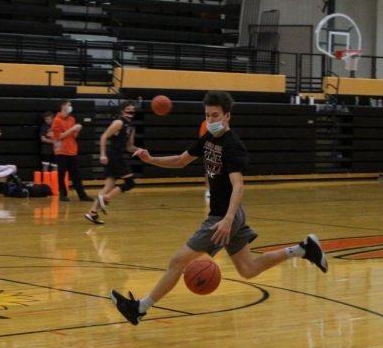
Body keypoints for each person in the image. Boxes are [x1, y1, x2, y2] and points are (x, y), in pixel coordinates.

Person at [110, 90, 328, 326]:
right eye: (208, 116)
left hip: (224, 217)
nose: (211, 120)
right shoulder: (208, 139)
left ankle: (140, 308)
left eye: (215, 115)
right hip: (227, 215)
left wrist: (227, 219)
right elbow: (181, 160)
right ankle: (304, 250)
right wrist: (151, 159)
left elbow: (238, 185)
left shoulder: (233, 146)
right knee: (248, 269)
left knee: (177, 260)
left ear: (227, 116)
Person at [85, 100, 139, 225]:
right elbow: (103, 136)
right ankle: (106, 198)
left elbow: (130, 146)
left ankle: (92, 212)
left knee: (109, 186)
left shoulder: (131, 127)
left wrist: (141, 151)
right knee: (130, 183)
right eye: (128, 109)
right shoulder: (119, 122)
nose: (131, 112)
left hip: (117, 156)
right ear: (122, 111)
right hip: (114, 156)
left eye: (133, 110)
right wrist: (102, 154)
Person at [51, 99, 92, 202]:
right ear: (63, 106)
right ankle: (63, 194)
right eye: (69, 105)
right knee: (61, 174)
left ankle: (82, 195)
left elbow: (74, 136)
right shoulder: (57, 120)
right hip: (61, 151)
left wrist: (77, 130)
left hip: (72, 150)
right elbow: (59, 136)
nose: (70, 107)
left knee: (76, 175)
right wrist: (73, 129)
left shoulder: (71, 119)